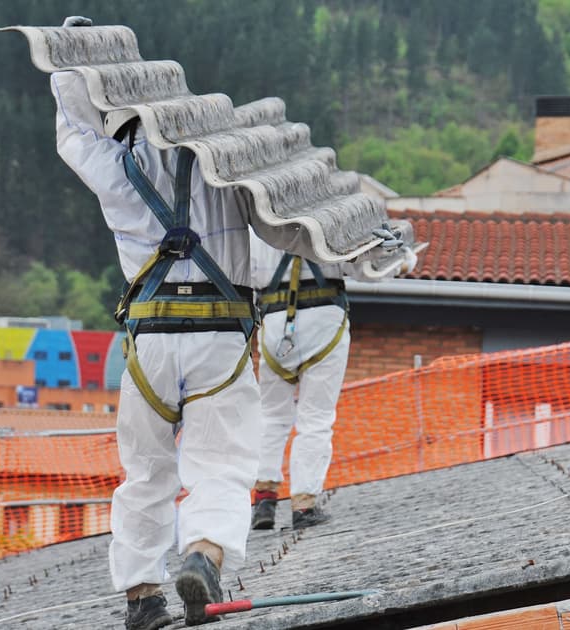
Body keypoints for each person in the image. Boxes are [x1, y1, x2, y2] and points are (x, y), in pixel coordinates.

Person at [52, 16, 261, 629]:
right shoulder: (230, 167)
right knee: (219, 464)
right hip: (220, 338)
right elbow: (286, 218)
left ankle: (142, 595)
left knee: (145, 470)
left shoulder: (119, 169)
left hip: (150, 343)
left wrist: (71, 62)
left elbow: (72, 133)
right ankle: (203, 554)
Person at [249, 233, 353, 530]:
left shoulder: (258, 222)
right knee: (316, 417)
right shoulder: (331, 215)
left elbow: (247, 272)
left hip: (274, 324)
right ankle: (303, 505)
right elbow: (363, 268)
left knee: (271, 415)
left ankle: (264, 500)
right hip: (324, 322)